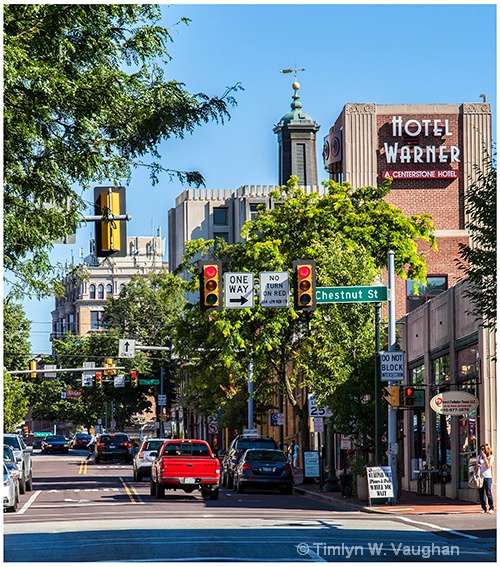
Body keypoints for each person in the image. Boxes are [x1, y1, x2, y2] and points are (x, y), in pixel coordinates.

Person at [477, 443, 494, 514]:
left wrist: (485, 458)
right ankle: (483, 507)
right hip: (480, 476)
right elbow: (477, 466)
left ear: (486, 449)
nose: (482, 451)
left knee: (488, 492)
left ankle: (491, 507)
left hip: (487, 476)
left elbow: (488, 466)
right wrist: (477, 466)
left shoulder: (491, 457)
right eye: (481, 449)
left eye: (483, 449)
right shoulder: (479, 457)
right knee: (481, 493)